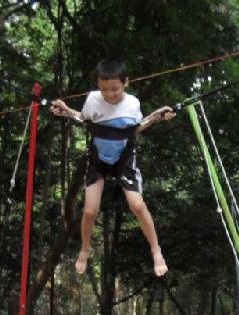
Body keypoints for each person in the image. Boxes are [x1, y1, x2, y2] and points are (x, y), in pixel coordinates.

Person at [50, 58, 175, 276]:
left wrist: (156, 117)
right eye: (104, 89)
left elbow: (136, 128)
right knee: (89, 211)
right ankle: (85, 249)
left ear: (125, 83)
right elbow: (83, 119)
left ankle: (156, 250)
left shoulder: (132, 104)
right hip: (99, 157)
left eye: (115, 89)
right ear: (98, 85)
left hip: (124, 158)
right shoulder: (92, 100)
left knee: (137, 205)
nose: (110, 94)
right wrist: (66, 110)